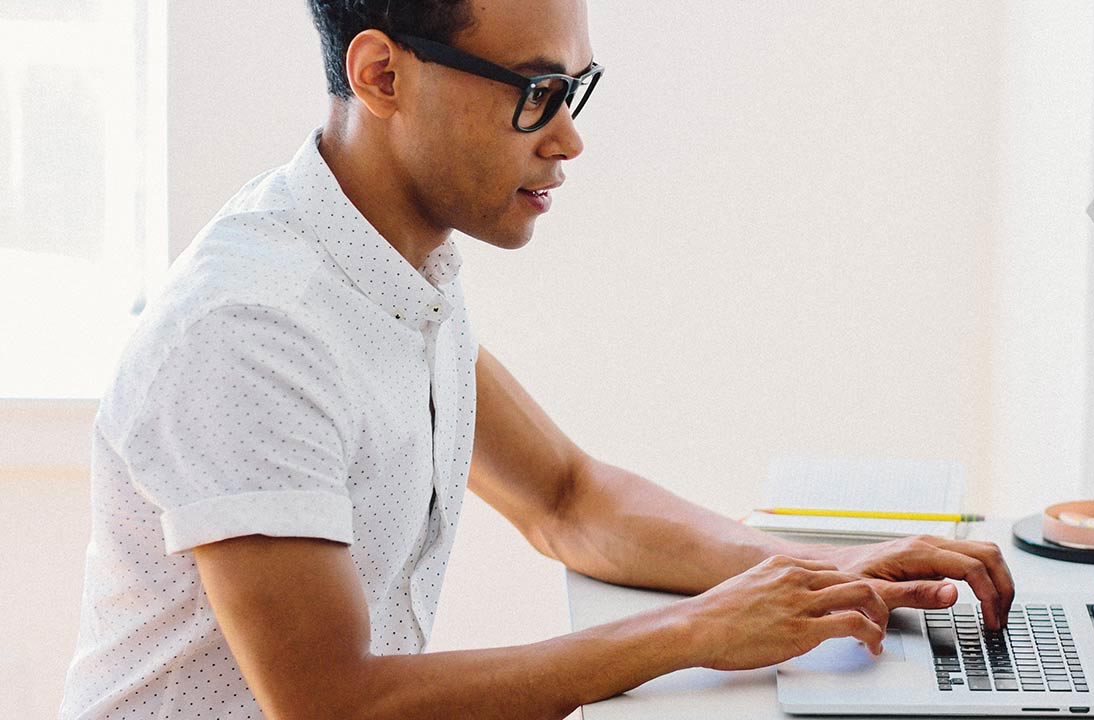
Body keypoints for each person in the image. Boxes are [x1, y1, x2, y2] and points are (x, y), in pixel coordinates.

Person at [60, 1, 1014, 718]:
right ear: (383, 76)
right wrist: (695, 632)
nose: (568, 137)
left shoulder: (394, 260)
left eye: (574, 90)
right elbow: (331, 704)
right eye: (536, 93)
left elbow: (567, 499)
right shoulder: (250, 329)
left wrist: (833, 568)